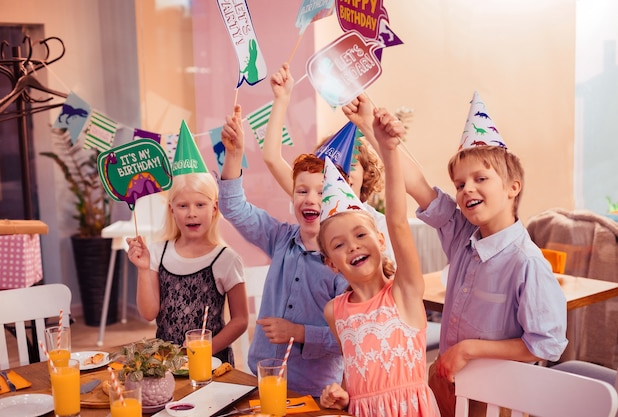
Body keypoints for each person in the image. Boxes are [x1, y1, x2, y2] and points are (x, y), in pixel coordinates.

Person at [403, 94, 568, 416]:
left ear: (512, 188)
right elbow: (417, 184)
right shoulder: (462, 235)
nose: (467, 190)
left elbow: (546, 343)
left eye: (480, 179)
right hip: (446, 381)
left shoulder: (527, 263)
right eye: (460, 183)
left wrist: (469, 349)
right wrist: (373, 128)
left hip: (494, 395)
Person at [317, 108, 440, 417]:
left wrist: (389, 150)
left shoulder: (405, 292)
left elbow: (398, 221)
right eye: (339, 245)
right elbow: (353, 379)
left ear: (381, 241)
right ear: (332, 264)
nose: (353, 246)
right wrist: (341, 396)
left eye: (360, 234)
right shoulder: (335, 311)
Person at [219, 104, 347, 396]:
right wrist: (235, 154)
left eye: (322, 192)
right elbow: (233, 207)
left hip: (316, 393)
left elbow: (350, 337)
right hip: (262, 380)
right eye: (302, 191)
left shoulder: (345, 265)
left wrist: (299, 333)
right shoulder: (279, 237)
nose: (310, 199)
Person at [262, 63, 393, 261]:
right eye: (329, 167)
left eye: (351, 164)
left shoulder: (378, 223)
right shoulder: (316, 203)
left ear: (366, 173)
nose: (339, 172)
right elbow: (272, 158)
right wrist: (281, 99)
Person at [126, 173, 248, 366]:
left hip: (211, 362)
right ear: (171, 209)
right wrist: (143, 269)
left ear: (215, 208)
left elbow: (241, 320)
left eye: (200, 205)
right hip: (166, 363)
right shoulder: (158, 252)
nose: (192, 213)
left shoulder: (226, 259)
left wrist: (206, 348)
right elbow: (149, 313)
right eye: (183, 205)